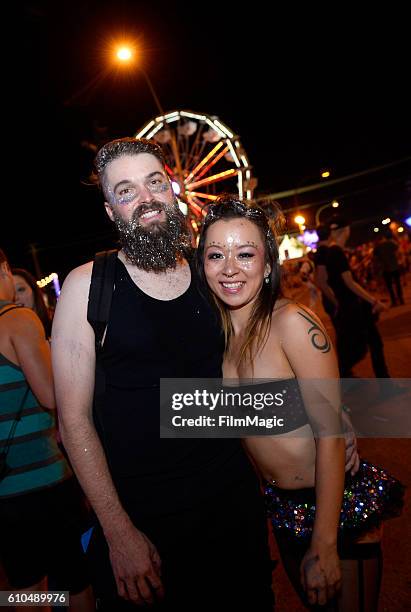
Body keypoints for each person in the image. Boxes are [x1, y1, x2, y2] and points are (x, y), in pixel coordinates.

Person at [51, 138, 274, 611]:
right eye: (126, 190)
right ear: (112, 211)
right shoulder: (88, 286)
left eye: (154, 182)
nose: (146, 197)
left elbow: (247, 378)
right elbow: (73, 423)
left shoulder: (210, 272)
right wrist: (118, 531)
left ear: (172, 190)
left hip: (234, 507)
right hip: (146, 520)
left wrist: (322, 422)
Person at [196, 197, 404, 610]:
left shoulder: (291, 322)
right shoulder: (214, 343)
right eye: (215, 254)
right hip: (281, 509)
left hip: (335, 502)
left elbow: (329, 433)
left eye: (246, 254)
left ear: (269, 265)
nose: (230, 268)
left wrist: (325, 543)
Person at [0, 249, 94, 612]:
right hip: (42, 480)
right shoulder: (18, 319)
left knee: (24, 585)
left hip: (4, 490)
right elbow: (50, 396)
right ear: (5, 268)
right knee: (73, 582)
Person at [322, 214, 390, 379]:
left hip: (349, 306)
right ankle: (345, 376)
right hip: (354, 307)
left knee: (372, 343)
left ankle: (381, 380)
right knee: (365, 345)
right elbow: (349, 282)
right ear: (345, 230)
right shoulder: (336, 252)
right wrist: (374, 301)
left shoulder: (332, 252)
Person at [12, 268, 53, 338]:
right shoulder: (12, 337)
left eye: (20, 289)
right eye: (11, 293)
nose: (16, 298)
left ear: (34, 290)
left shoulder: (56, 324)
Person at [373, 229, 404, 307]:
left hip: (385, 268)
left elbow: (375, 259)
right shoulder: (390, 243)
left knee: (390, 286)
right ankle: (401, 299)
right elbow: (398, 250)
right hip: (394, 266)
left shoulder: (377, 248)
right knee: (397, 283)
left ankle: (394, 301)